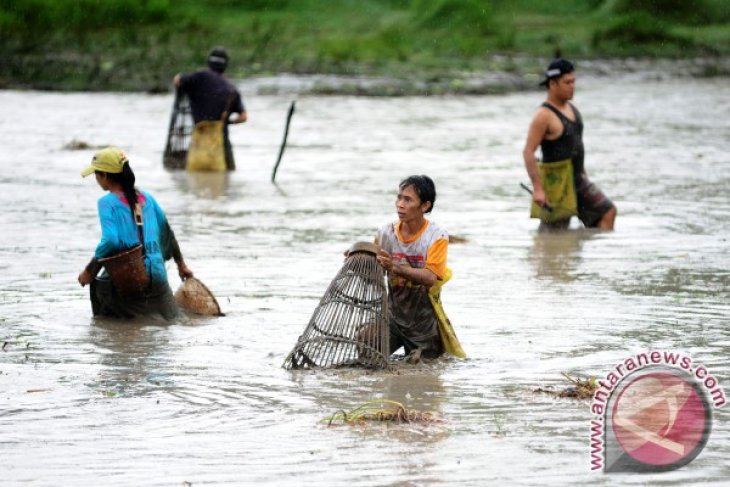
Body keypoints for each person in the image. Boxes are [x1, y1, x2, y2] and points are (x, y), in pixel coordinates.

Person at [78, 147, 194, 320]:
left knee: (106, 323)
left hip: (128, 279)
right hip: (158, 276)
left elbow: (110, 241)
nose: (96, 178)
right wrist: (181, 265)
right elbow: (167, 234)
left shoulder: (107, 203)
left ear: (106, 176)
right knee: (173, 321)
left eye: (96, 174)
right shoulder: (148, 198)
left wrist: (89, 270)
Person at [374, 175, 464, 361]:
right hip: (392, 316)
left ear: (425, 206)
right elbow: (376, 270)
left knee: (424, 367)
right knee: (367, 346)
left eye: (408, 199)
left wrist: (395, 267)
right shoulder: (386, 233)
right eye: (399, 197)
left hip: (422, 323)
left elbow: (431, 277)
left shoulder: (436, 236)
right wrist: (359, 255)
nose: (400, 204)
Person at [523, 58, 617, 231]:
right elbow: (528, 151)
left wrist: (584, 174)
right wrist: (538, 189)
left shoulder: (571, 108)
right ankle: (548, 255)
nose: (572, 86)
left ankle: (596, 253)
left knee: (607, 211)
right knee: (555, 231)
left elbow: (576, 146)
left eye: (573, 81)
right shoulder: (543, 115)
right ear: (552, 84)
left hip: (578, 179)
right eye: (567, 82)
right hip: (557, 182)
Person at [173, 46, 247, 170]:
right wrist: (227, 122)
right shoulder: (231, 89)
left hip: (199, 140)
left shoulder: (199, 77)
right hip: (222, 144)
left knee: (197, 176)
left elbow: (178, 81)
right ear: (226, 65)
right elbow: (243, 117)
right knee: (224, 177)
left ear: (209, 62)